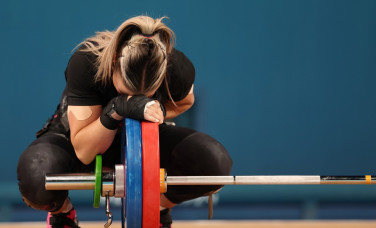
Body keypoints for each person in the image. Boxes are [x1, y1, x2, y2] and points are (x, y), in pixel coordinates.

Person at [17, 15, 233, 228]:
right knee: (36, 177)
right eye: (127, 92)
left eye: (145, 95)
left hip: (139, 138)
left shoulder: (175, 67)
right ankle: (63, 215)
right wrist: (118, 109)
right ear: (114, 63)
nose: (136, 97)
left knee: (214, 162)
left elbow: (186, 101)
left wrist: (153, 115)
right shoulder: (87, 61)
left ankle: (158, 207)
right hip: (82, 137)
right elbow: (84, 150)